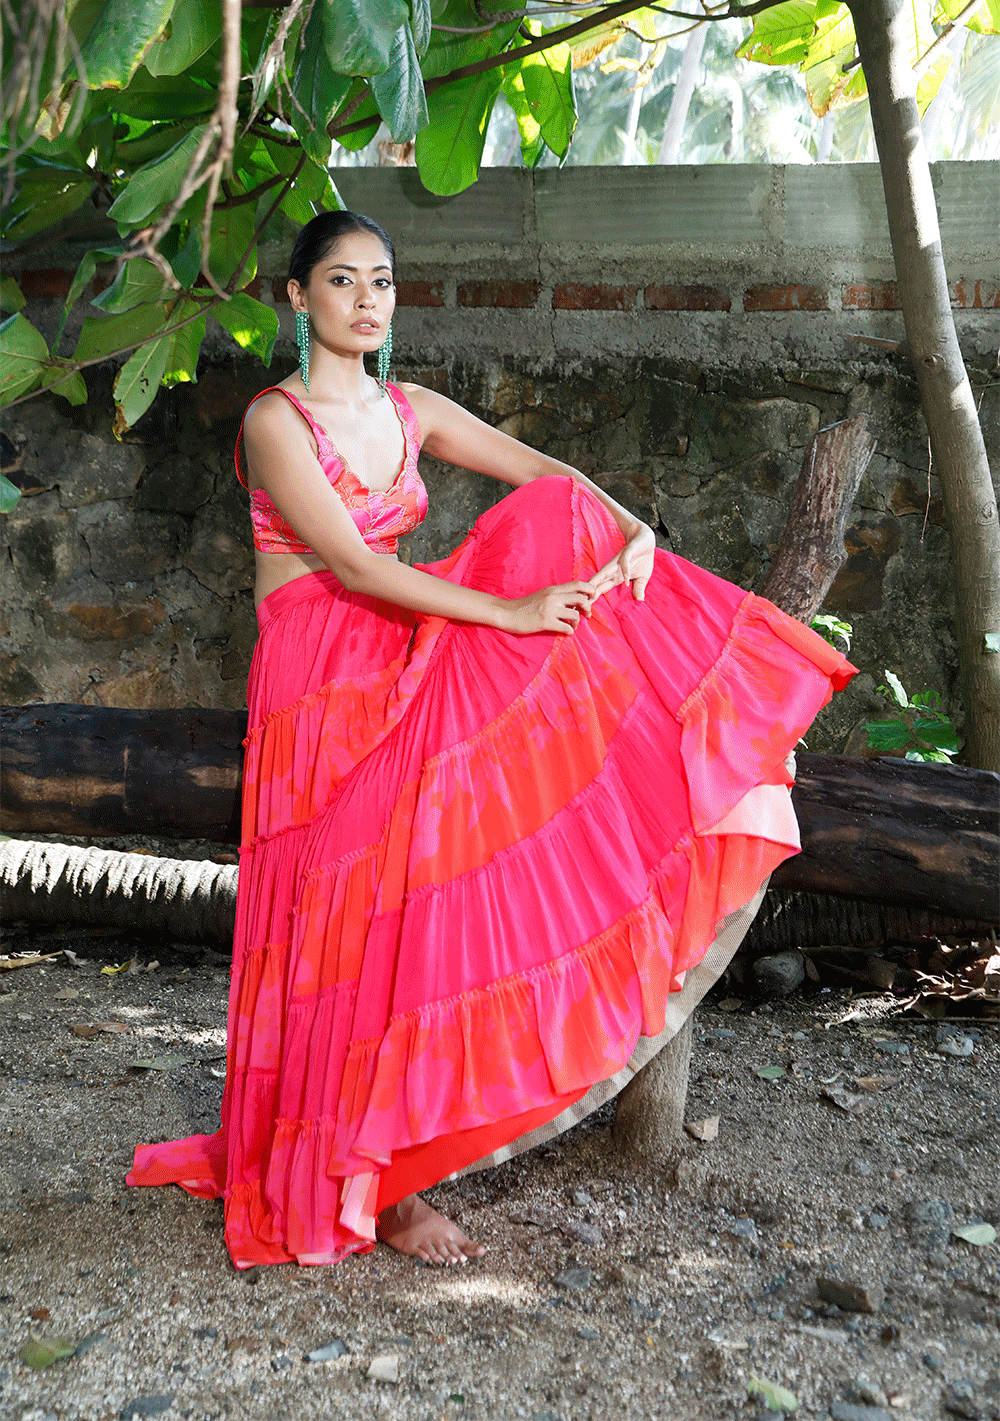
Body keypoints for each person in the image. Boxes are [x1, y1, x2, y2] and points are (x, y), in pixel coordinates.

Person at [127, 210, 855, 1269]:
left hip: (405, 642)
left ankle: (396, 1167)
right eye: (342, 281)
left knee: (552, 531)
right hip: (322, 671)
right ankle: (354, 1178)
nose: (368, 299)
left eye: (382, 280)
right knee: (344, 915)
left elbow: (546, 477)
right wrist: (511, 614)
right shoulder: (274, 422)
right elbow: (359, 570)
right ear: (298, 298)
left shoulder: (411, 406)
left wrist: (629, 527)